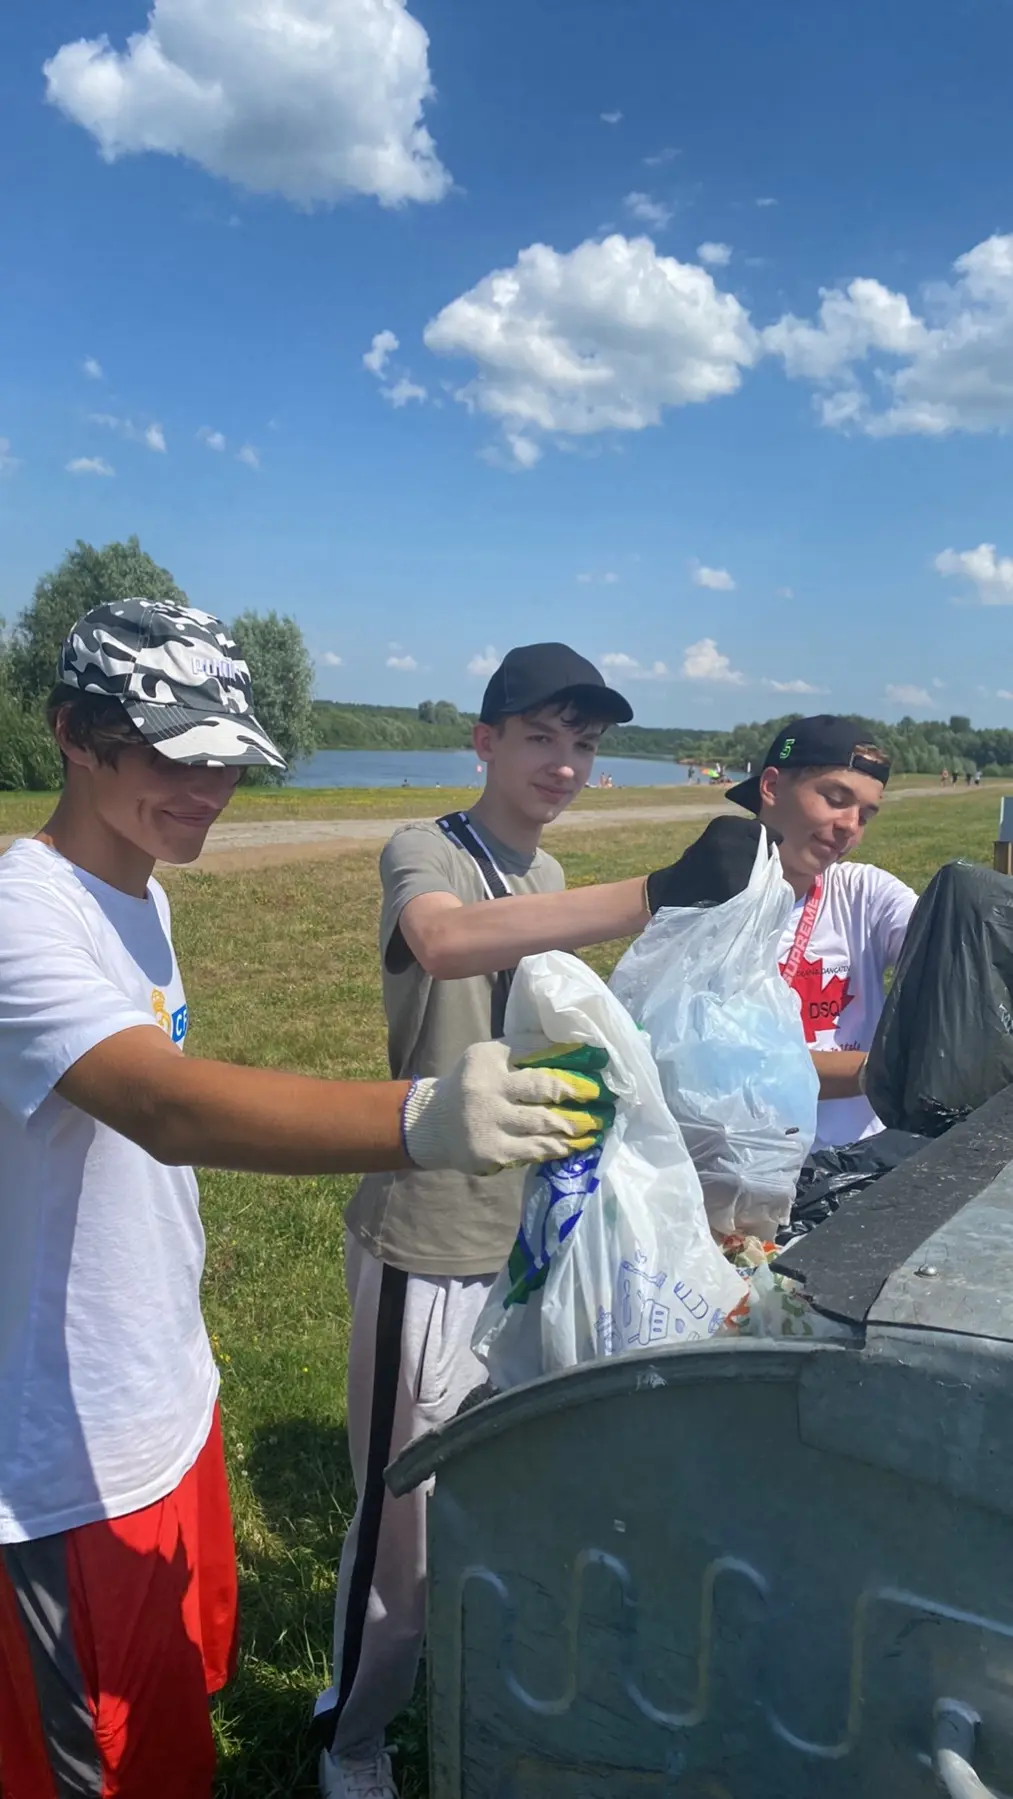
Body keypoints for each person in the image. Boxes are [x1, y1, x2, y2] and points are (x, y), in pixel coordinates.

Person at [0, 603, 615, 1799]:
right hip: (56, 1456)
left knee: (174, 1737)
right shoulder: (23, 912)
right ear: (73, 732)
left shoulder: (139, 894)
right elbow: (162, 1104)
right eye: (174, 754)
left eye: (228, 758)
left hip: (158, 1392)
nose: (210, 789)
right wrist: (419, 1119)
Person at [316, 643, 772, 1798]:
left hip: (529, 1241)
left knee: (512, 1497)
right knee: (399, 1527)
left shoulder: (549, 867)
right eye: (538, 736)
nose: (563, 762)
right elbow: (443, 942)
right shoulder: (426, 849)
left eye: (583, 742)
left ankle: (483, 1706)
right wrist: (656, 890)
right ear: (484, 741)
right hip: (429, 1234)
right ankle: (351, 1737)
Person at [725, 716, 918, 1149]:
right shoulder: (707, 911)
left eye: (865, 815)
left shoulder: (863, 893)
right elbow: (726, 1067)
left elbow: (952, 952)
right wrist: (885, 1073)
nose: (851, 826)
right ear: (771, 786)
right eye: (835, 799)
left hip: (861, 1159)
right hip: (744, 1164)